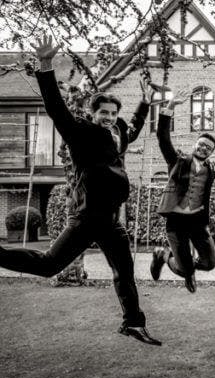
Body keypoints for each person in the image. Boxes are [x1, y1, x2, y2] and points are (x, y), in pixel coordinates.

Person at [0, 35, 160, 345]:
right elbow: (57, 110)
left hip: (111, 221)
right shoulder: (83, 133)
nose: (110, 118)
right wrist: (46, 66)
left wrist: (145, 102)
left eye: (114, 114)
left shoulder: (116, 136)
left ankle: (133, 322)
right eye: (104, 113)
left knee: (124, 272)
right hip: (86, 218)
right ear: (93, 112)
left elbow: (134, 128)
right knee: (49, 265)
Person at [149, 85, 215, 293]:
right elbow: (162, 137)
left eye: (208, 147)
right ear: (195, 144)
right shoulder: (177, 160)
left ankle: (177, 264)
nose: (203, 148)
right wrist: (170, 106)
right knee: (185, 267)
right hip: (176, 223)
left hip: (197, 222)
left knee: (209, 263)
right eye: (201, 144)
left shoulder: (212, 169)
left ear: (211, 152)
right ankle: (165, 256)